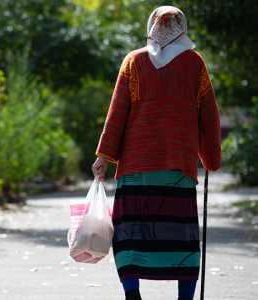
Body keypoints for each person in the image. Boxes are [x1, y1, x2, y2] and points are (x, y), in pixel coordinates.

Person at [92, 6, 221, 300]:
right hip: (179, 170)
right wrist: (211, 160)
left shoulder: (134, 61)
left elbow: (117, 114)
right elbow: (209, 117)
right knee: (181, 237)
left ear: (151, 28)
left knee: (129, 235)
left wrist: (103, 156)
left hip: (136, 168)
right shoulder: (194, 63)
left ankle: (132, 294)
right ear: (182, 29)